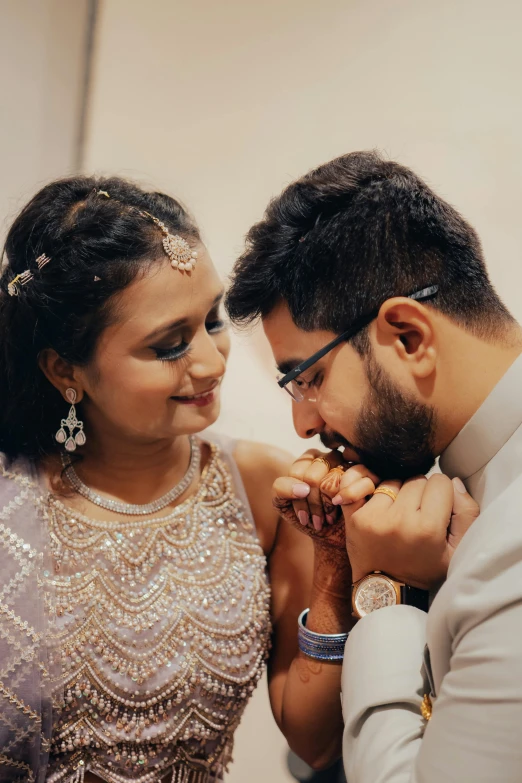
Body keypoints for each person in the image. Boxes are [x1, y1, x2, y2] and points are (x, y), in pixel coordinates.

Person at [0, 176, 366, 783]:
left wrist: (333, 565)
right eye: (170, 344)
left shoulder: (262, 488)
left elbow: (315, 740)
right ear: (66, 369)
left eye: (212, 320)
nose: (211, 361)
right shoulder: (12, 501)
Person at [225, 150, 522, 782]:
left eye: (309, 378)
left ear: (408, 336)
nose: (303, 425)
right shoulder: (458, 478)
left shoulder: (512, 542)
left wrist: (384, 594)